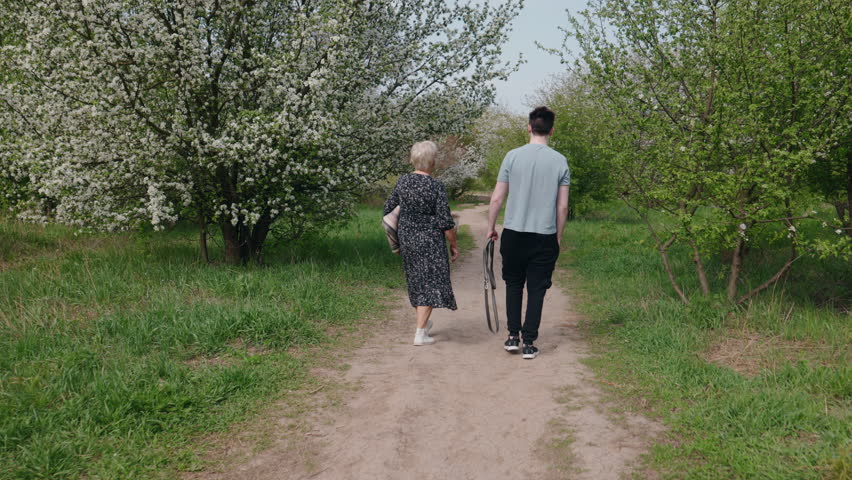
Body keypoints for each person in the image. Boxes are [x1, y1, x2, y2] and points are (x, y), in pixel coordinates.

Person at [486, 106, 570, 359]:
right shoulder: (560, 161)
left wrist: (491, 227)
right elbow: (562, 205)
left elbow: (497, 197)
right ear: (552, 130)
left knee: (513, 284)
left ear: (529, 127)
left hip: (513, 232)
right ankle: (530, 342)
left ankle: (513, 337)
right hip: (544, 235)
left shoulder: (512, 156)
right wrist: (558, 235)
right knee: (537, 289)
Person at [384, 141, 459, 345]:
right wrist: (453, 245)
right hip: (431, 241)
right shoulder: (436, 186)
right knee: (432, 283)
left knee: (418, 281)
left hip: (407, 238)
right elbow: (446, 222)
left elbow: (388, 209)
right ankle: (419, 333)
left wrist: (397, 237)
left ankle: (423, 327)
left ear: (412, 160)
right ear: (433, 162)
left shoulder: (403, 181)